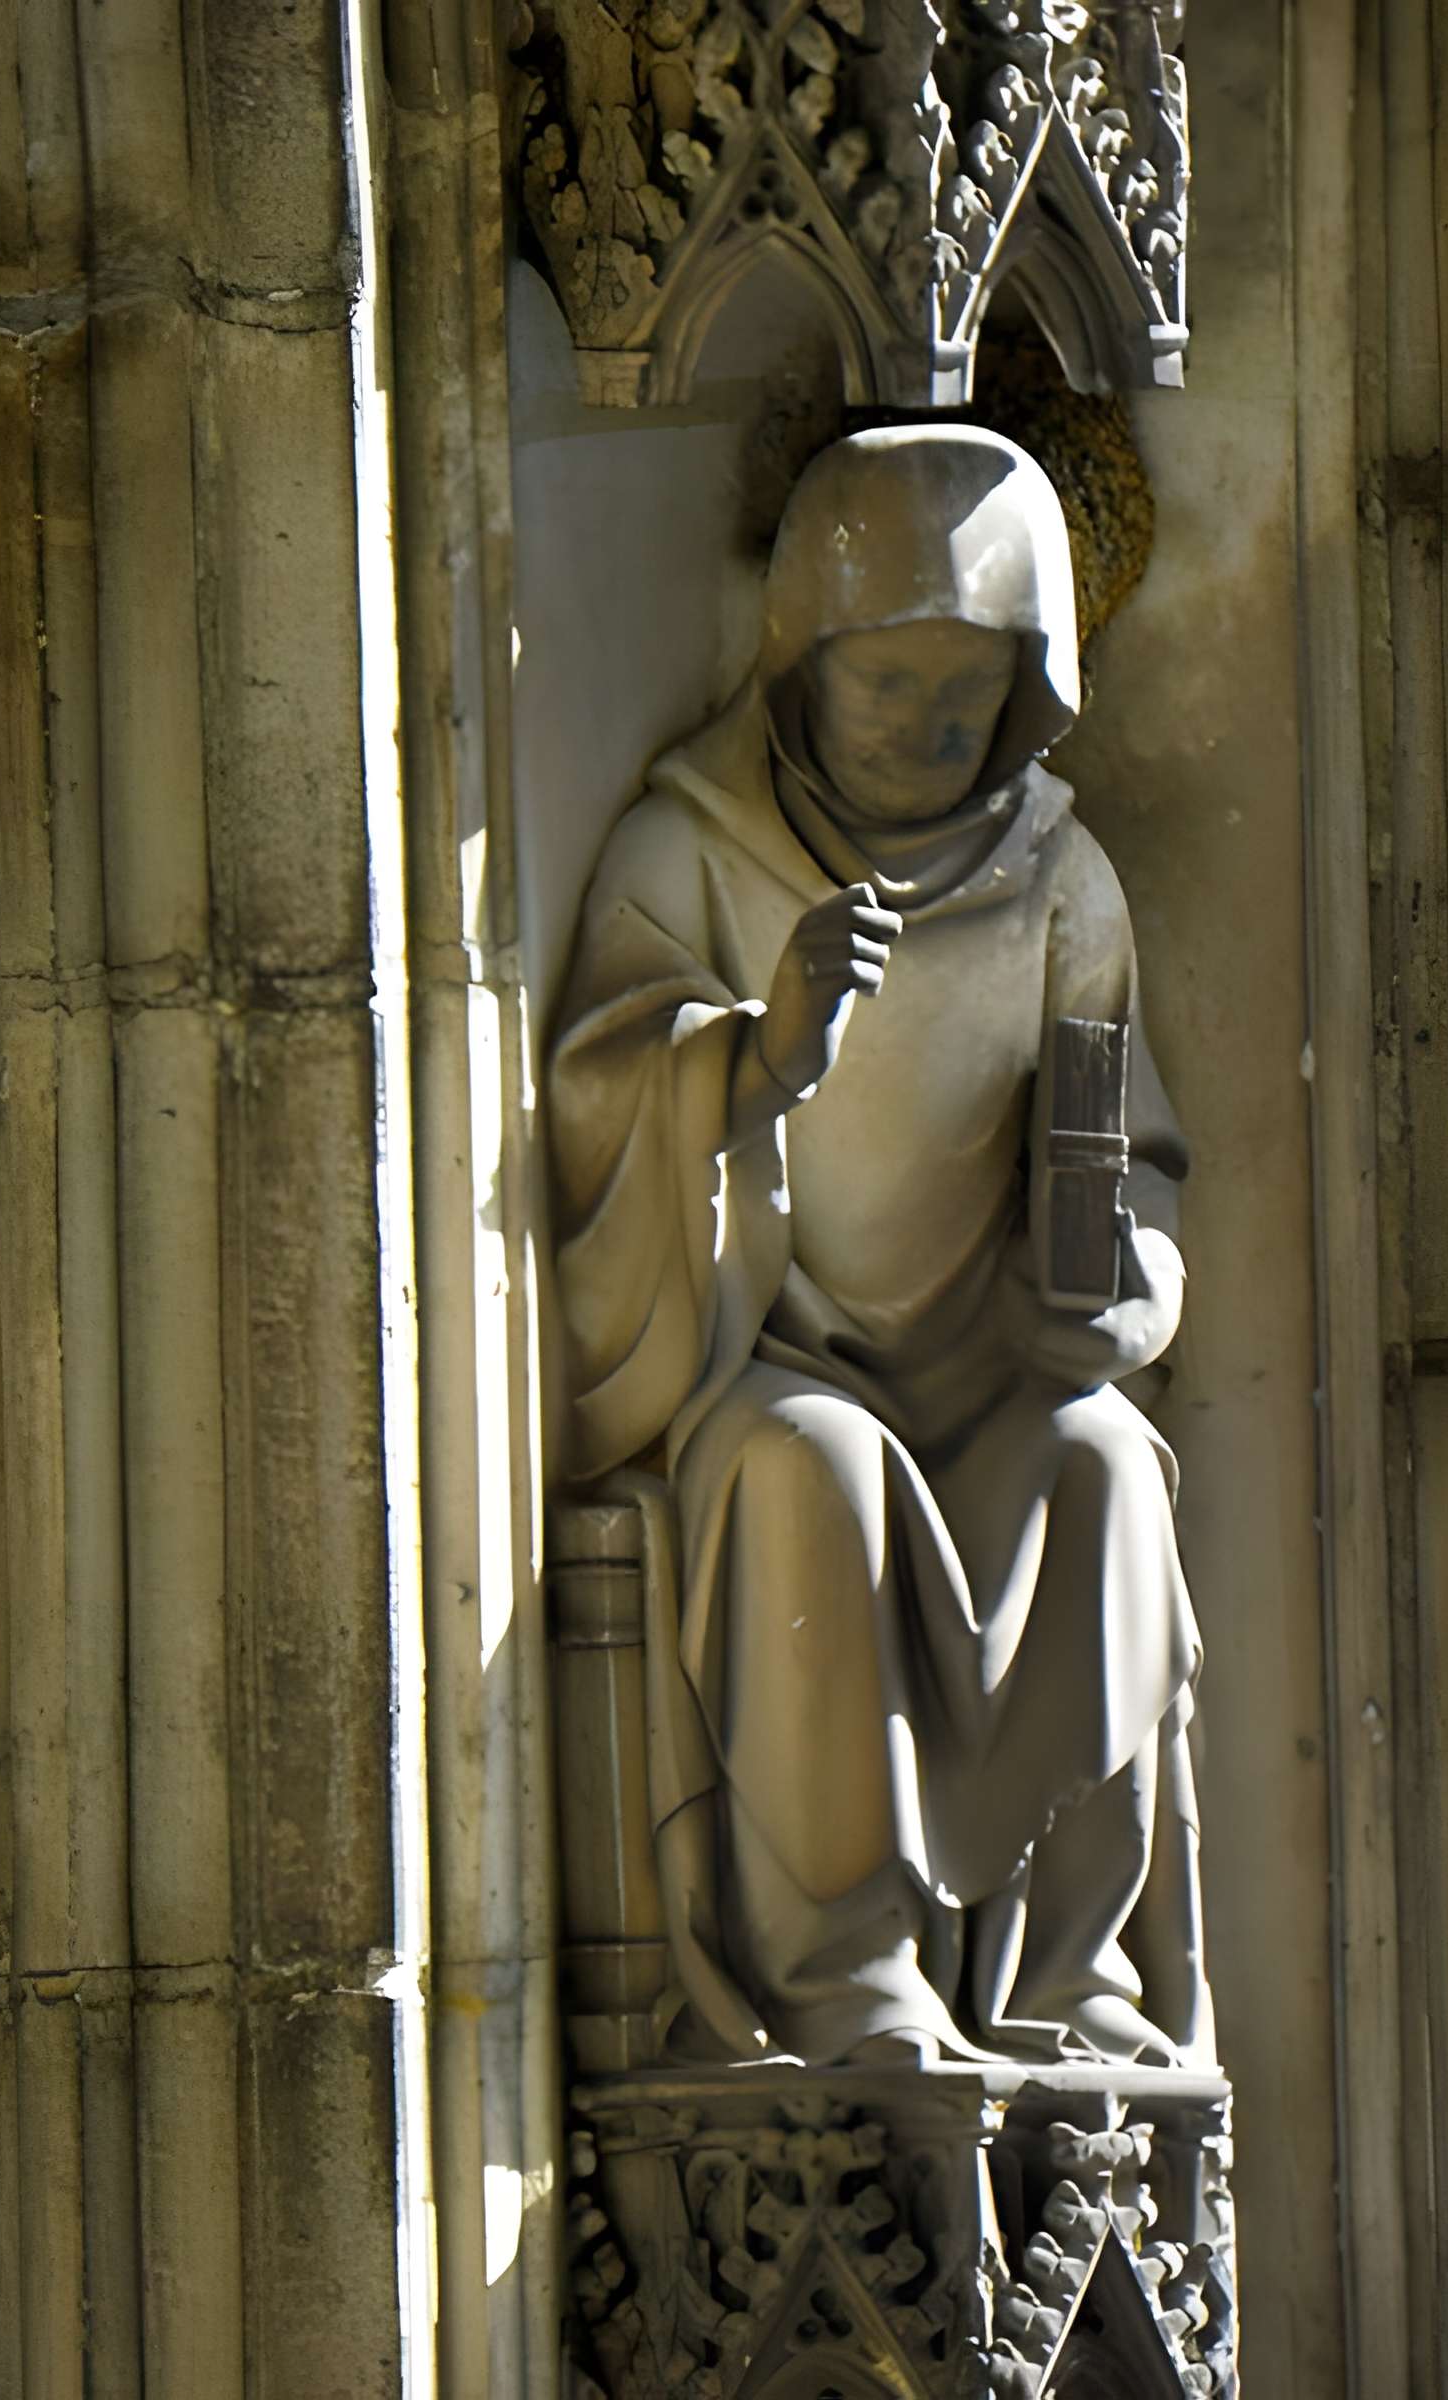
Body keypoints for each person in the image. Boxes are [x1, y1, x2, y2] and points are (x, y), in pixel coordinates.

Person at [549, 425, 1214, 2069]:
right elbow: (595, 1122)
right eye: (887, 687)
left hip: (992, 1371)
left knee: (1107, 1470)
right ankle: (846, 1975)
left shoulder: (1065, 877)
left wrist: (1121, 1287)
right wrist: (754, 1062)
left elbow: (1132, 1160)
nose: (927, 728)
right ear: (799, 667)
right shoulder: (687, 849)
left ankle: (1070, 1978)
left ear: (1032, 694)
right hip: (769, 1365)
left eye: (968, 697)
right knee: (810, 1479)